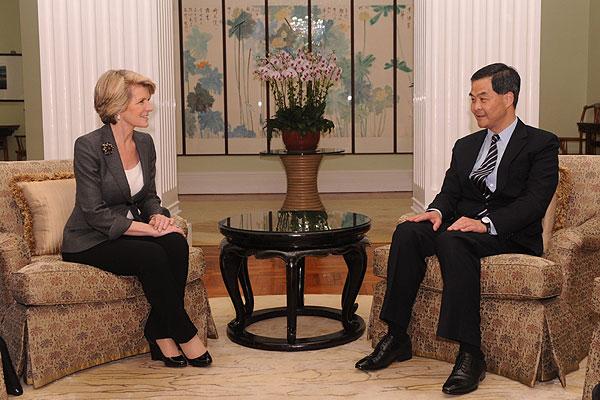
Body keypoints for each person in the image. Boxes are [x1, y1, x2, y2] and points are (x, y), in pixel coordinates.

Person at [355, 63, 559, 395]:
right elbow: (449, 193)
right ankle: (396, 336)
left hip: (507, 234)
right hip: (460, 226)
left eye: (483, 98)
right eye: (472, 98)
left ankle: (470, 353)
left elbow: (534, 203)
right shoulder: (466, 146)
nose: (475, 106)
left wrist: (485, 224)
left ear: (508, 98)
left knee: (453, 242)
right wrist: (435, 212)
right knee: (408, 232)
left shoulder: (540, 144)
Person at [62, 69, 211, 368]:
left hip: (127, 229)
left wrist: (156, 216)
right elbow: (94, 212)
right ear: (117, 107)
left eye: (149, 100)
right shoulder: (89, 146)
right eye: (142, 101)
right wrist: (147, 230)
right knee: (153, 255)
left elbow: (148, 196)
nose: (150, 107)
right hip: (90, 238)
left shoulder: (144, 143)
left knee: (176, 243)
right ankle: (184, 333)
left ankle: (158, 332)